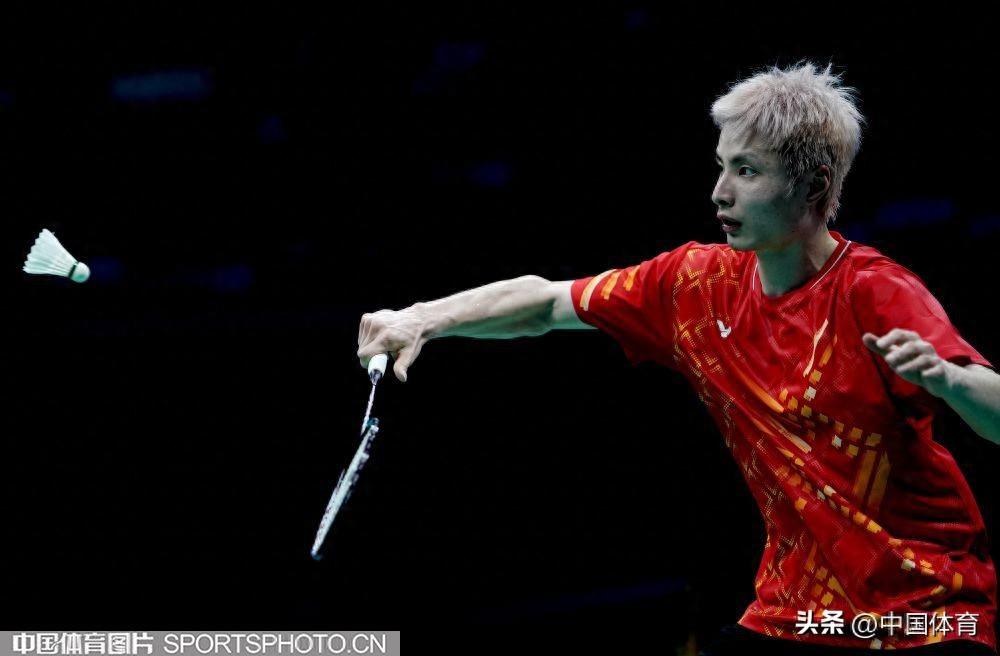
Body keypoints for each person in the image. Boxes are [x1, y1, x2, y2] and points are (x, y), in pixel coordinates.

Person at [356, 62, 1000, 654]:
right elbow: (547, 303)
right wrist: (423, 318)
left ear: (813, 186)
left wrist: (946, 379)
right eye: (721, 166)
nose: (720, 193)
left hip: (928, 616)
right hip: (797, 617)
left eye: (747, 171)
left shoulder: (874, 291)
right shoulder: (694, 285)